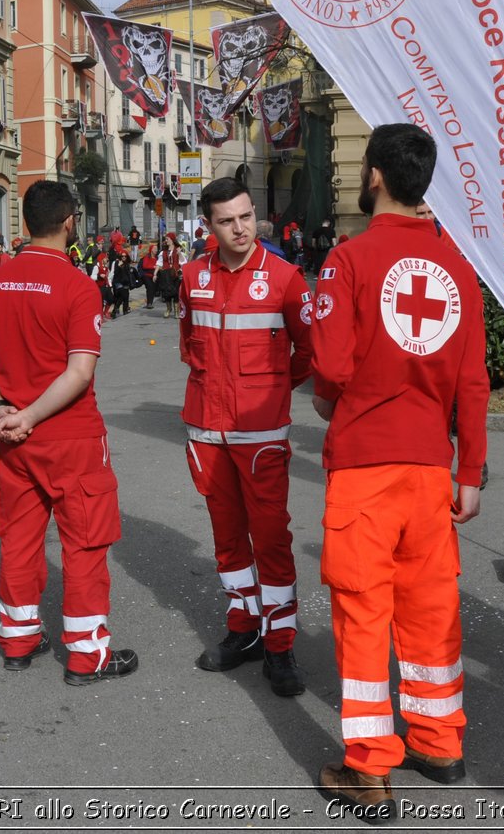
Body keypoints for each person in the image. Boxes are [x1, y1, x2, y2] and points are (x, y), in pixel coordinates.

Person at [310, 124, 488, 821]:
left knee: (364, 613)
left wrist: (336, 397)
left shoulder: (349, 259)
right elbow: (472, 380)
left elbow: (328, 366)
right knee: (430, 609)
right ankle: (440, 743)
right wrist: (468, 469)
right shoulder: (458, 266)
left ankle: (369, 769)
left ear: (375, 174)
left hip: (364, 465)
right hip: (429, 470)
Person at [0, 180, 140, 685]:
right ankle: (88, 655)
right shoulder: (77, 286)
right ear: (69, 224)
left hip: (11, 434)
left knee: (19, 539)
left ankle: (18, 638)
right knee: (84, 543)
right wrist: (32, 415)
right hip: (70, 435)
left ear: (24, 224)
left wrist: (2, 408)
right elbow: (79, 372)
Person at [179, 177, 314, 697]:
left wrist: (275, 388)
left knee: (272, 540)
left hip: (259, 434)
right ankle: (244, 629)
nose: (239, 229)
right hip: (206, 431)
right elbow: (190, 343)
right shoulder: (193, 275)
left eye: (245, 217)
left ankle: (280, 643)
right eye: (226, 221)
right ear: (208, 226)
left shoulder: (284, 277)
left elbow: (308, 349)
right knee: (228, 539)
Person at [156, 234, 184, 319]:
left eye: (167, 239)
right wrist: (154, 274)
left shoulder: (178, 250)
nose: (166, 240)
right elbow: (159, 263)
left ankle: (176, 311)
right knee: (166, 292)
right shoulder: (163, 252)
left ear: (172, 239)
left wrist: (179, 254)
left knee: (175, 293)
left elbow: (183, 262)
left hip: (175, 274)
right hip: (165, 274)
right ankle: (168, 309)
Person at [140, 244, 158, 309]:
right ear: (151, 250)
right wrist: (154, 267)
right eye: (155, 249)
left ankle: (150, 302)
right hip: (146, 275)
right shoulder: (147, 257)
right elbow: (145, 266)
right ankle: (149, 303)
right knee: (150, 287)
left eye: (156, 249)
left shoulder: (157, 258)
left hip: (154, 276)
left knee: (153, 289)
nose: (156, 250)